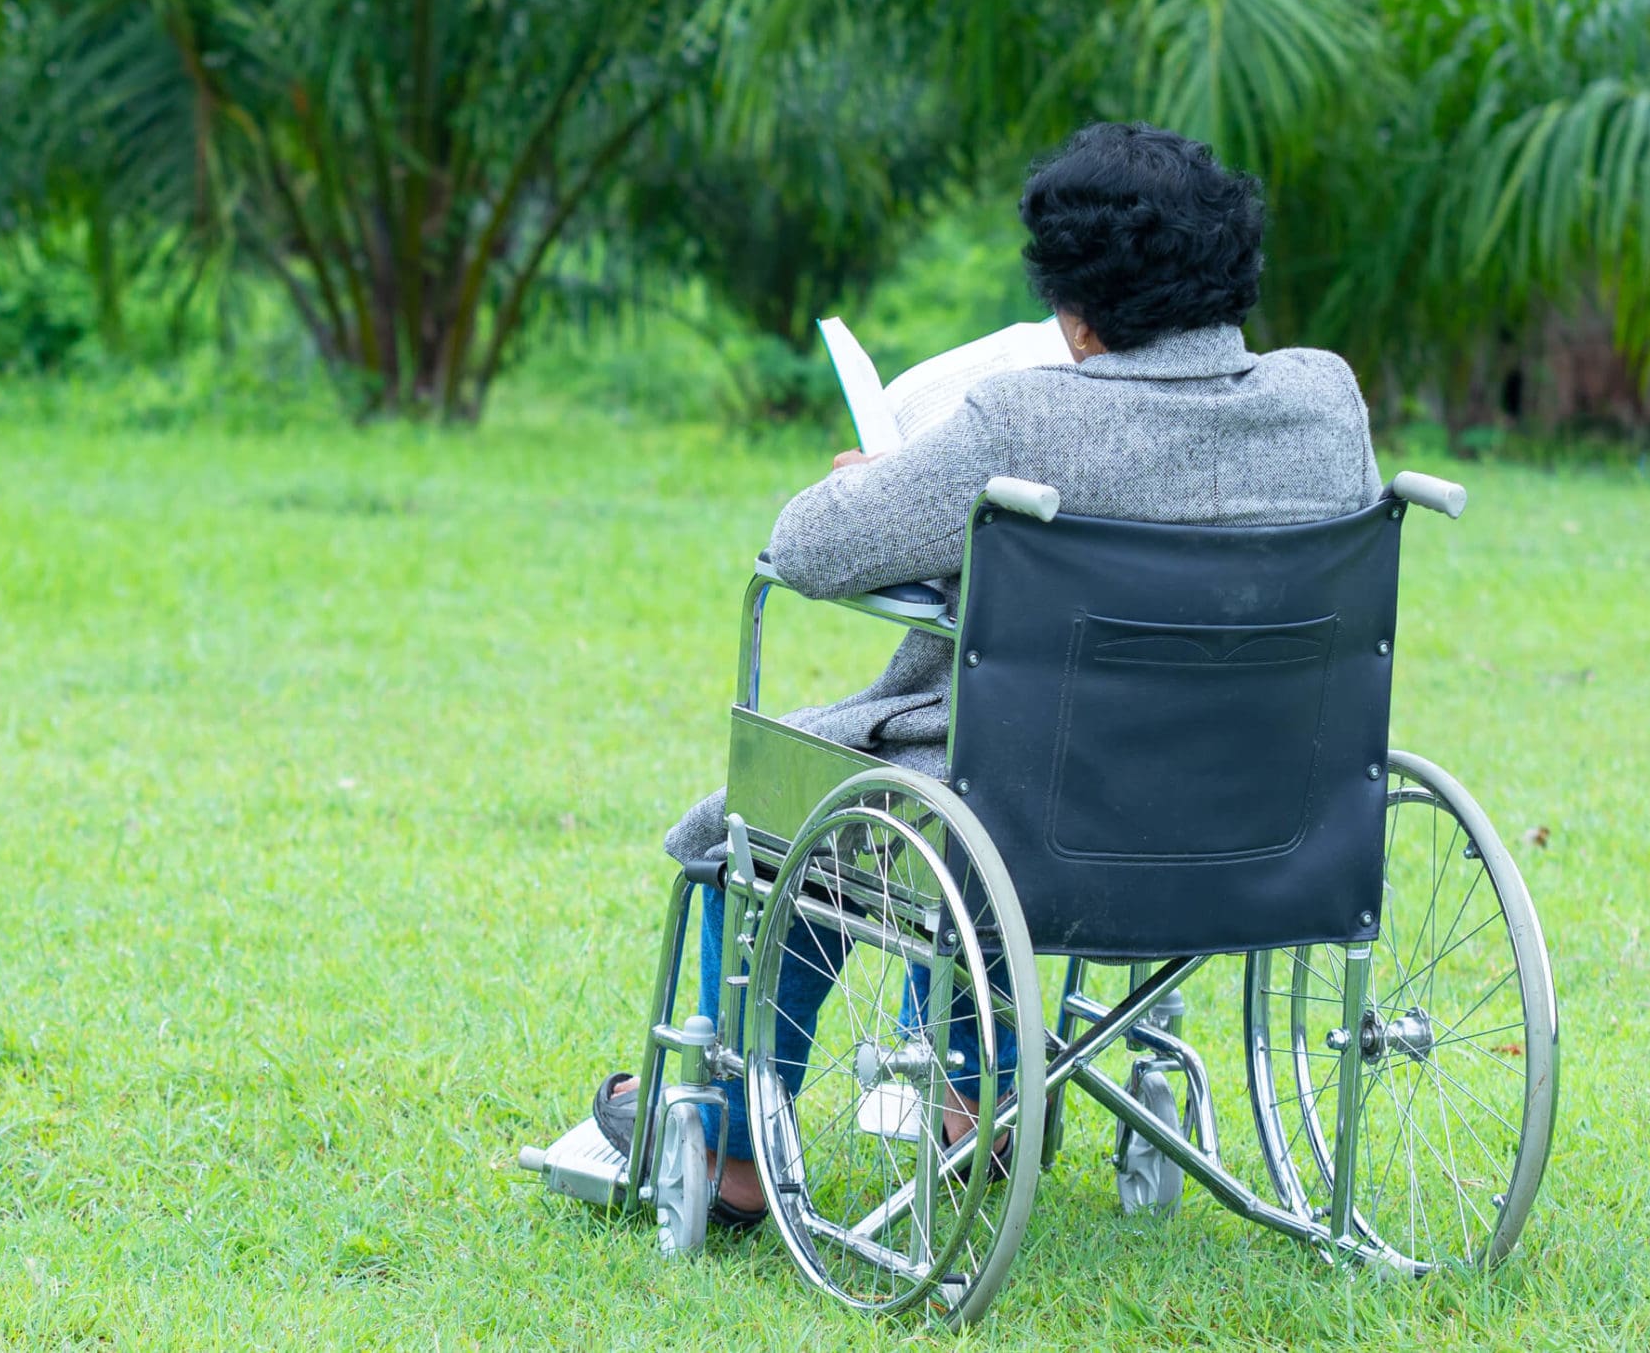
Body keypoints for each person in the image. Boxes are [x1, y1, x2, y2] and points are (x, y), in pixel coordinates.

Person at [592, 121, 1383, 1226]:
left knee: (792, 804)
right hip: (1270, 823)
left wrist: (886, 477)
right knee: (993, 769)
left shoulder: (1024, 418)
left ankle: (730, 1147)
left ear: (1074, 304)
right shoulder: (1325, 400)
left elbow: (806, 548)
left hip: (1034, 818)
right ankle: (982, 1103)